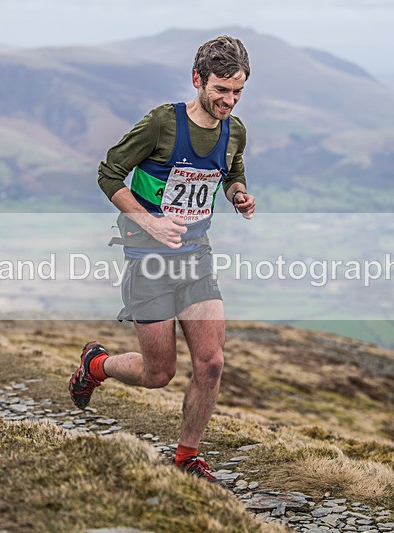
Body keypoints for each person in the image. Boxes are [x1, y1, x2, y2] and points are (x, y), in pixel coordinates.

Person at [69, 35, 255, 482]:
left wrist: (238, 194)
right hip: (148, 260)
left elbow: (232, 168)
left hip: (196, 258)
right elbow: (109, 172)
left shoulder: (236, 130)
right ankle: (96, 365)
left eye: (238, 92)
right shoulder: (162, 124)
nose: (229, 101)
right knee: (159, 374)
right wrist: (148, 221)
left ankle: (187, 456)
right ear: (197, 80)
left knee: (211, 363)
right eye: (221, 91)